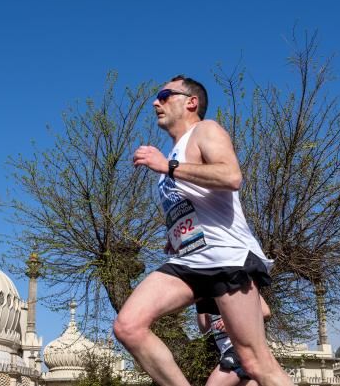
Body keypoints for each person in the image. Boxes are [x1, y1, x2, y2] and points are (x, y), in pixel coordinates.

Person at [113, 75, 293, 386]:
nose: (156, 102)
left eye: (165, 95)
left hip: (226, 257)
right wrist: (176, 237)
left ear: (191, 102)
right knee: (128, 326)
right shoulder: (172, 153)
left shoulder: (205, 131)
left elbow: (231, 175)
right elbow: (193, 207)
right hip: (190, 260)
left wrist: (167, 167)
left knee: (255, 362)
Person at [197, 296, 271, 386]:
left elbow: (265, 311)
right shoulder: (208, 296)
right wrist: (199, 301)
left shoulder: (240, 283)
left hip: (240, 348)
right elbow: (204, 328)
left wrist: (231, 321)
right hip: (226, 351)